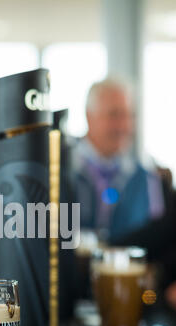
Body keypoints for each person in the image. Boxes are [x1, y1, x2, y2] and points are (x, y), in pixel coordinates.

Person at [65, 78, 166, 243]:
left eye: (129, 116)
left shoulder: (145, 177)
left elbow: (157, 241)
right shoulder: (59, 168)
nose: (123, 126)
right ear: (89, 116)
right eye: (114, 115)